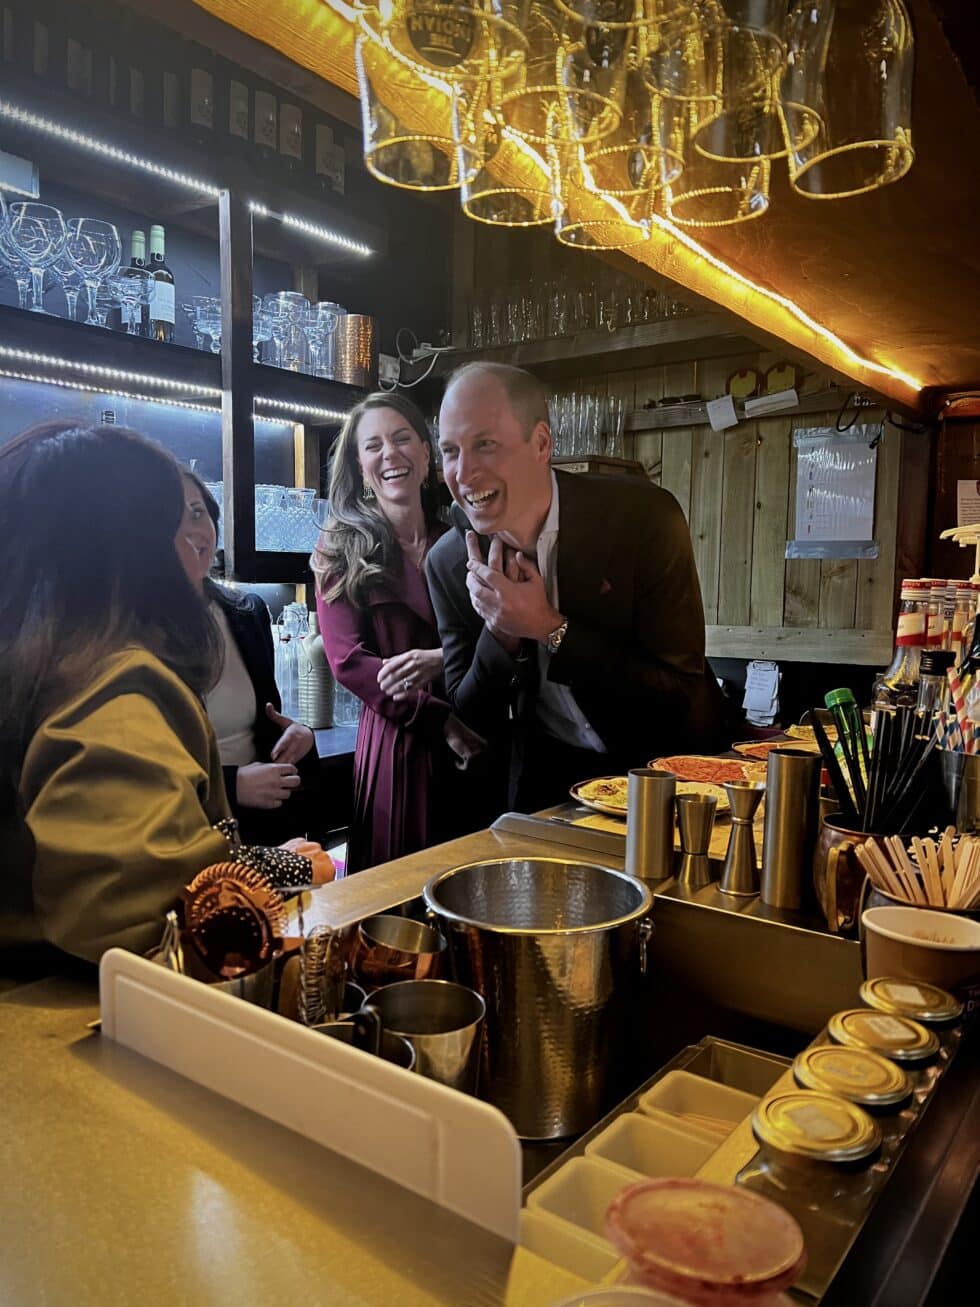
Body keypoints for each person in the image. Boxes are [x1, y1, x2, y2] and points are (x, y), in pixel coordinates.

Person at [0, 421, 331, 972]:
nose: (191, 536)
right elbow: (162, 921)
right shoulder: (113, 690)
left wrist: (273, 865)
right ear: (126, 548)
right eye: (169, 521)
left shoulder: (41, 664)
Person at [426, 362, 727, 812]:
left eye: (485, 444)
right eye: (450, 451)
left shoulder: (644, 519)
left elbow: (678, 693)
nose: (463, 474)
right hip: (554, 787)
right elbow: (470, 716)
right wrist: (502, 634)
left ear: (541, 443)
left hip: (677, 780)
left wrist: (549, 628)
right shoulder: (450, 561)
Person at [311, 393, 484, 871]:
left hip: (478, 729)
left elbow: (499, 628)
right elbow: (349, 663)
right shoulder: (339, 546)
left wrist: (440, 660)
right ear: (360, 466)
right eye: (374, 446)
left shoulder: (464, 535)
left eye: (402, 438)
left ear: (427, 453)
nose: (390, 454)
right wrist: (441, 722)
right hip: (400, 744)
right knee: (400, 908)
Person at [178, 470, 321, 846]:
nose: (191, 530)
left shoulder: (246, 612)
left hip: (261, 835)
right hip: (180, 844)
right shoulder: (126, 634)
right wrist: (230, 786)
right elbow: (131, 774)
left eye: (197, 513)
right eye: (169, 519)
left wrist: (300, 737)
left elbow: (265, 720)